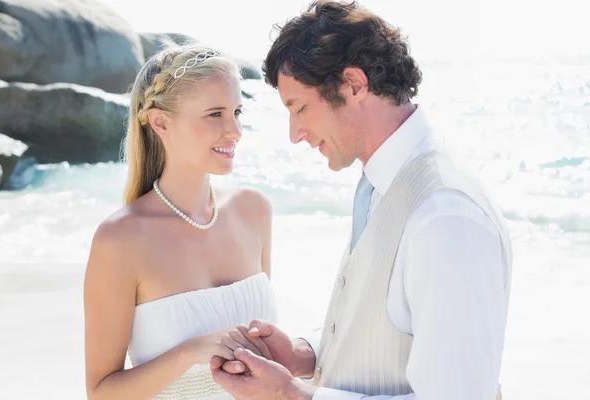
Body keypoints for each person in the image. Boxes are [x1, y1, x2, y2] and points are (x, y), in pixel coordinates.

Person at [210, 1, 513, 399]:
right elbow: (384, 330)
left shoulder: (446, 217)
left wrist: (291, 395)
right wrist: (306, 354)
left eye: (299, 108)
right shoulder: (381, 185)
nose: (294, 133)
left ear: (354, 84)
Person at [83, 44, 277, 399]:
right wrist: (191, 352)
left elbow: (270, 353)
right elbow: (100, 392)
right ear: (160, 122)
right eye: (214, 114)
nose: (235, 130)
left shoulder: (254, 211)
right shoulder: (120, 240)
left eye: (237, 111)